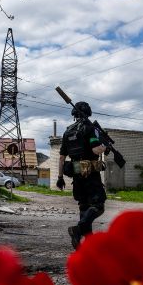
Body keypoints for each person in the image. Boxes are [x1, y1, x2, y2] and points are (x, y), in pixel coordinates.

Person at [56, 101, 107, 250]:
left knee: (84, 208)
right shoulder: (89, 129)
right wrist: (105, 146)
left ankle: (86, 246)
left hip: (76, 176)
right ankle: (77, 230)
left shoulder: (68, 132)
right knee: (98, 206)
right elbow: (96, 149)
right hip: (90, 174)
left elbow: (61, 158)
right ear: (88, 112)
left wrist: (60, 178)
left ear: (75, 115)